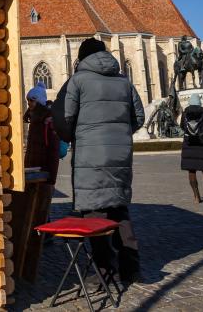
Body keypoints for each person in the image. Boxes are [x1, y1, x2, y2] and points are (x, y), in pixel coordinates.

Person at [53, 38, 145, 283]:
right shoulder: (124, 81)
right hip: (120, 154)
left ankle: (105, 271)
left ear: (82, 58)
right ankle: (132, 269)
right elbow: (139, 117)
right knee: (119, 209)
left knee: (94, 214)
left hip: (90, 155)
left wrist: (75, 136)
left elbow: (67, 117)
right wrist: (120, 134)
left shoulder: (78, 80)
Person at [180, 93, 203, 203]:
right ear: (199, 103)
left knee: (191, 171)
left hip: (189, 145)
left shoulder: (185, 114)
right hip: (202, 145)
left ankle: (196, 197)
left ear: (189, 102)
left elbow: (182, 127)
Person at [23, 82, 60, 184]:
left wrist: (52, 177)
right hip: (31, 171)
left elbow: (54, 150)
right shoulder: (34, 119)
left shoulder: (48, 121)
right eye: (28, 100)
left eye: (32, 100)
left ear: (39, 102)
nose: (29, 103)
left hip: (43, 173)